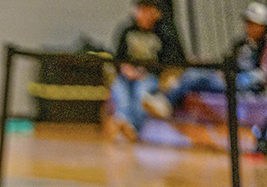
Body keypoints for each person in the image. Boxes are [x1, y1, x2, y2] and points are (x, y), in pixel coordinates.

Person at [142, 2, 267, 121]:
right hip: (229, 80)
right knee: (194, 73)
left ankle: (166, 102)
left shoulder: (263, 47)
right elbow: (227, 62)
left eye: (252, 23)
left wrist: (235, 79)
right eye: (247, 22)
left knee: (195, 76)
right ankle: (163, 100)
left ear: (262, 27)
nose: (247, 27)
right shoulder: (241, 44)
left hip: (244, 87)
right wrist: (216, 69)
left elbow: (261, 76)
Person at [107, 0, 186, 141]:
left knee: (141, 92)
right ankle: (123, 122)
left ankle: (131, 126)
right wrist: (125, 68)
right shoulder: (127, 31)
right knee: (120, 89)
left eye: (148, 10)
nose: (143, 14)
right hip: (127, 75)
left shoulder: (164, 33)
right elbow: (118, 58)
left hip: (149, 76)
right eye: (141, 10)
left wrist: (146, 72)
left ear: (156, 13)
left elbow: (169, 62)